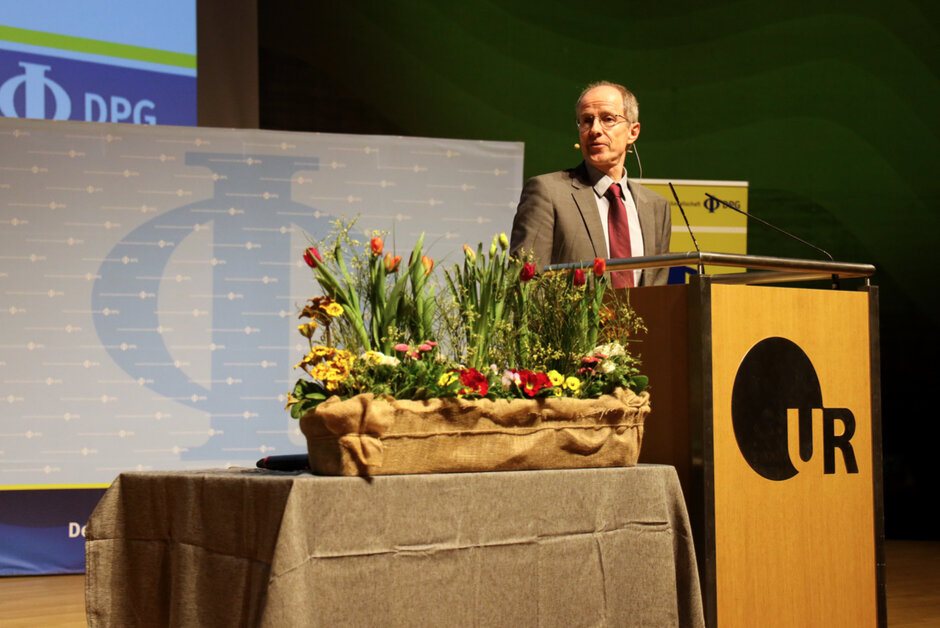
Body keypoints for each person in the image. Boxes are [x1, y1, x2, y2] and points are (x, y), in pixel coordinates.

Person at [509, 81, 671, 287]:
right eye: (586, 120)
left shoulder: (656, 207)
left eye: (608, 119)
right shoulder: (547, 192)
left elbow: (658, 292)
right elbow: (525, 285)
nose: (595, 129)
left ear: (633, 132)